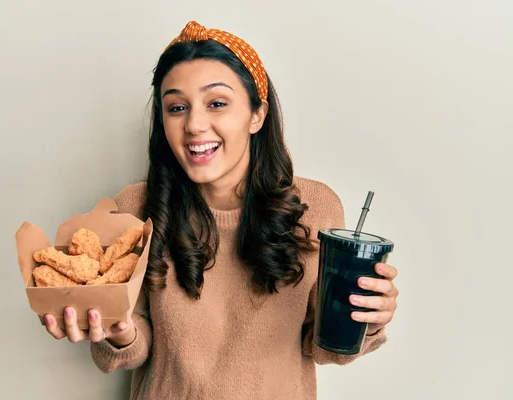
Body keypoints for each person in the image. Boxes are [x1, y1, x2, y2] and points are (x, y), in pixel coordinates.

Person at [42, 21, 400, 399]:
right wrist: (120, 332)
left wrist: (367, 320)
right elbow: (134, 341)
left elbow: (324, 346)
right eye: (177, 107)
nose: (195, 125)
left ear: (257, 115)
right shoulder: (132, 209)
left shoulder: (317, 209)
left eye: (217, 103)